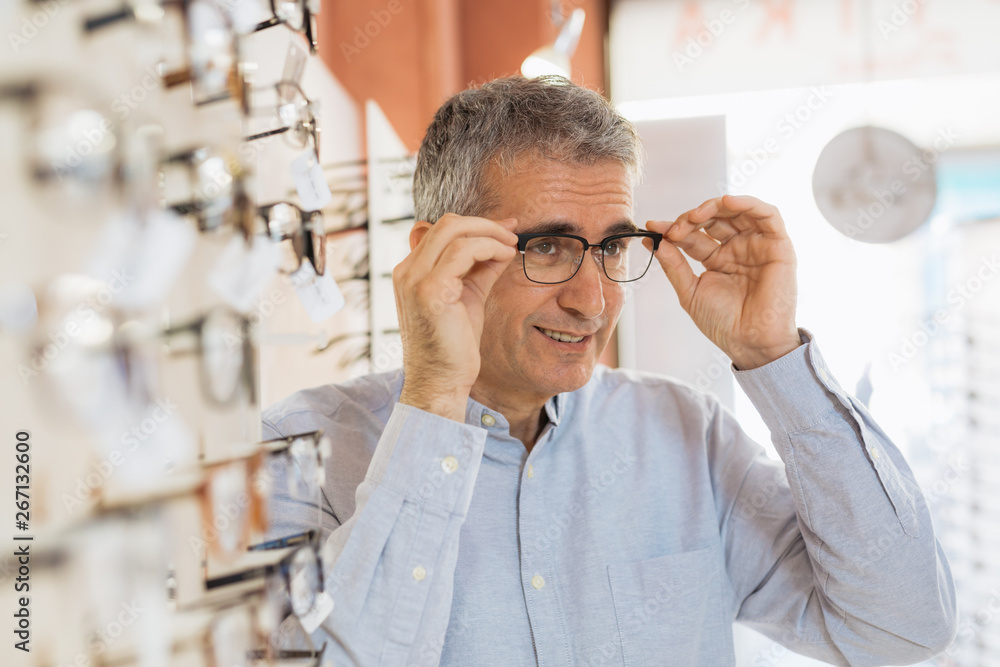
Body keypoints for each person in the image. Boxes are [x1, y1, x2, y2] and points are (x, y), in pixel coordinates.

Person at [261, 75, 957, 666]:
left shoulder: (689, 439)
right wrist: (435, 400)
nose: (593, 299)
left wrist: (773, 358)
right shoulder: (304, 450)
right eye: (550, 246)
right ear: (436, 253)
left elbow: (902, 627)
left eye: (614, 247)